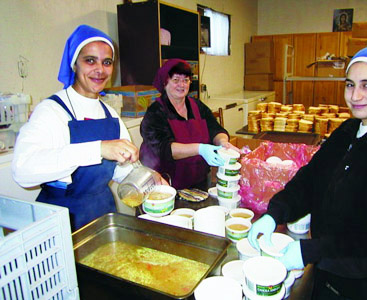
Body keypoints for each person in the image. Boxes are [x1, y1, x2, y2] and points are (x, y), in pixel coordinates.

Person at [248, 43, 367, 300]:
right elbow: (311, 179)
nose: (355, 96)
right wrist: (276, 213)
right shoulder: (348, 131)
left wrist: (309, 251)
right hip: (329, 266)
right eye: (350, 84)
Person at [12, 25, 142, 231]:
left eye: (107, 62)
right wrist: (98, 148)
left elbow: (120, 169)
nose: (100, 70)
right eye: (90, 60)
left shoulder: (110, 114)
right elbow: (22, 171)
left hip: (102, 215)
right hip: (60, 220)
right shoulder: (51, 111)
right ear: (74, 63)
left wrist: (147, 178)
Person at [139, 59, 239, 190]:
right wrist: (200, 149)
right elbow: (164, 149)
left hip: (198, 181)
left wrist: (222, 142)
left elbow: (215, 129)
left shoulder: (197, 106)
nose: (181, 84)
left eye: (186, 80)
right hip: (165, 184)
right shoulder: (156, 112)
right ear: (165, 82)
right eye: (175, 80)